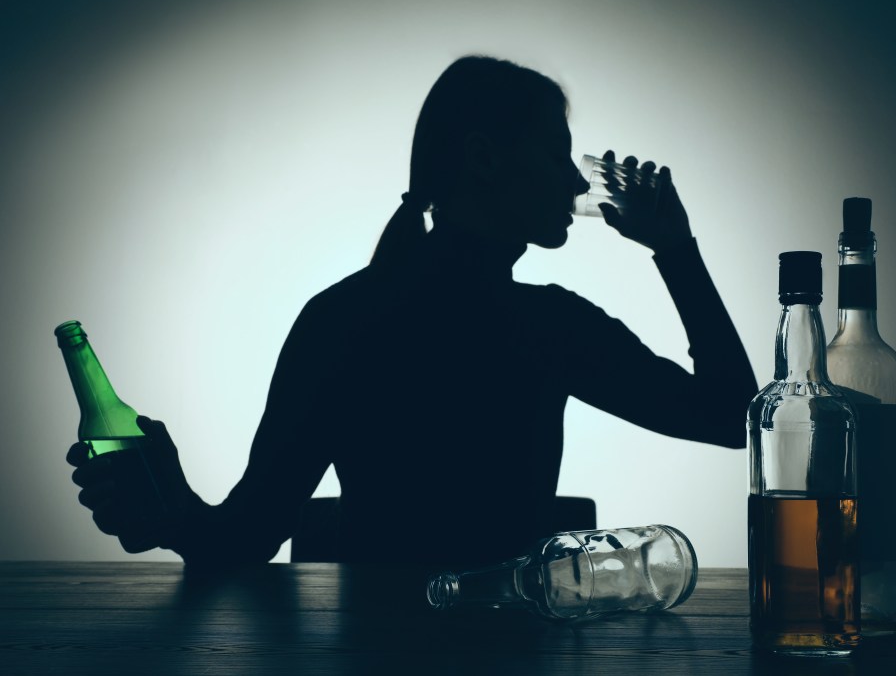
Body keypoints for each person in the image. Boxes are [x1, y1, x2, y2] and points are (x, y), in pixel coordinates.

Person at [67, 55, 758, 569]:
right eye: (555, 153)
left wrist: (171, 511)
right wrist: (675, 247)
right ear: (485, 159)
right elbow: (732, 417)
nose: (578, 180)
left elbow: (240, 542)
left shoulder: (342, 319)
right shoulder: (549, 328)